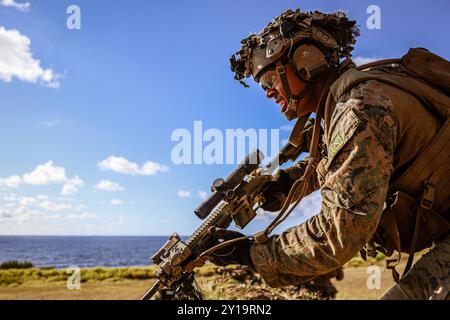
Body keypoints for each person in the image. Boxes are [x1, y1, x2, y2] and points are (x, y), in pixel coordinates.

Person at [208, 9, 450, 300]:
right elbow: (340, 162)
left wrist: (251, 255)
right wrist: (286, 184)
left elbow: (340, 233)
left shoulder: (358, 109)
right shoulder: (361, 90)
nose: (269, 93)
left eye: (269, 80)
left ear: (305, 61)